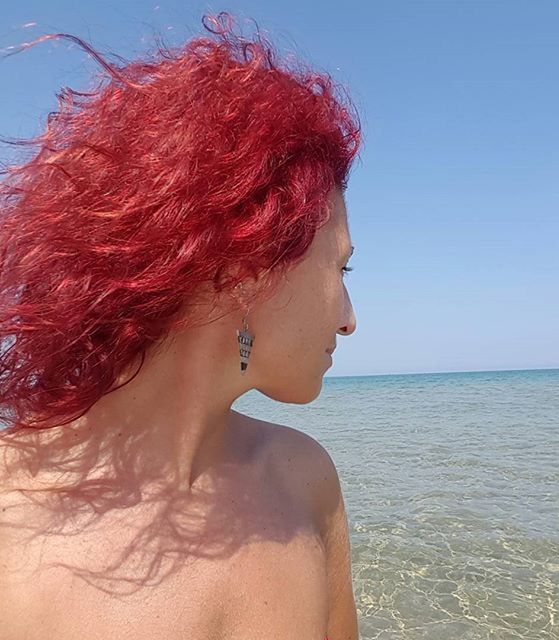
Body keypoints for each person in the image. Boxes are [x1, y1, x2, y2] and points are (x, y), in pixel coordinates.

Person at [0, 12, 361, 640]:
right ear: (251, 263)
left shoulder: (306, 479)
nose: (350, 320)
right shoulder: (10, 520)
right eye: (342, 268)